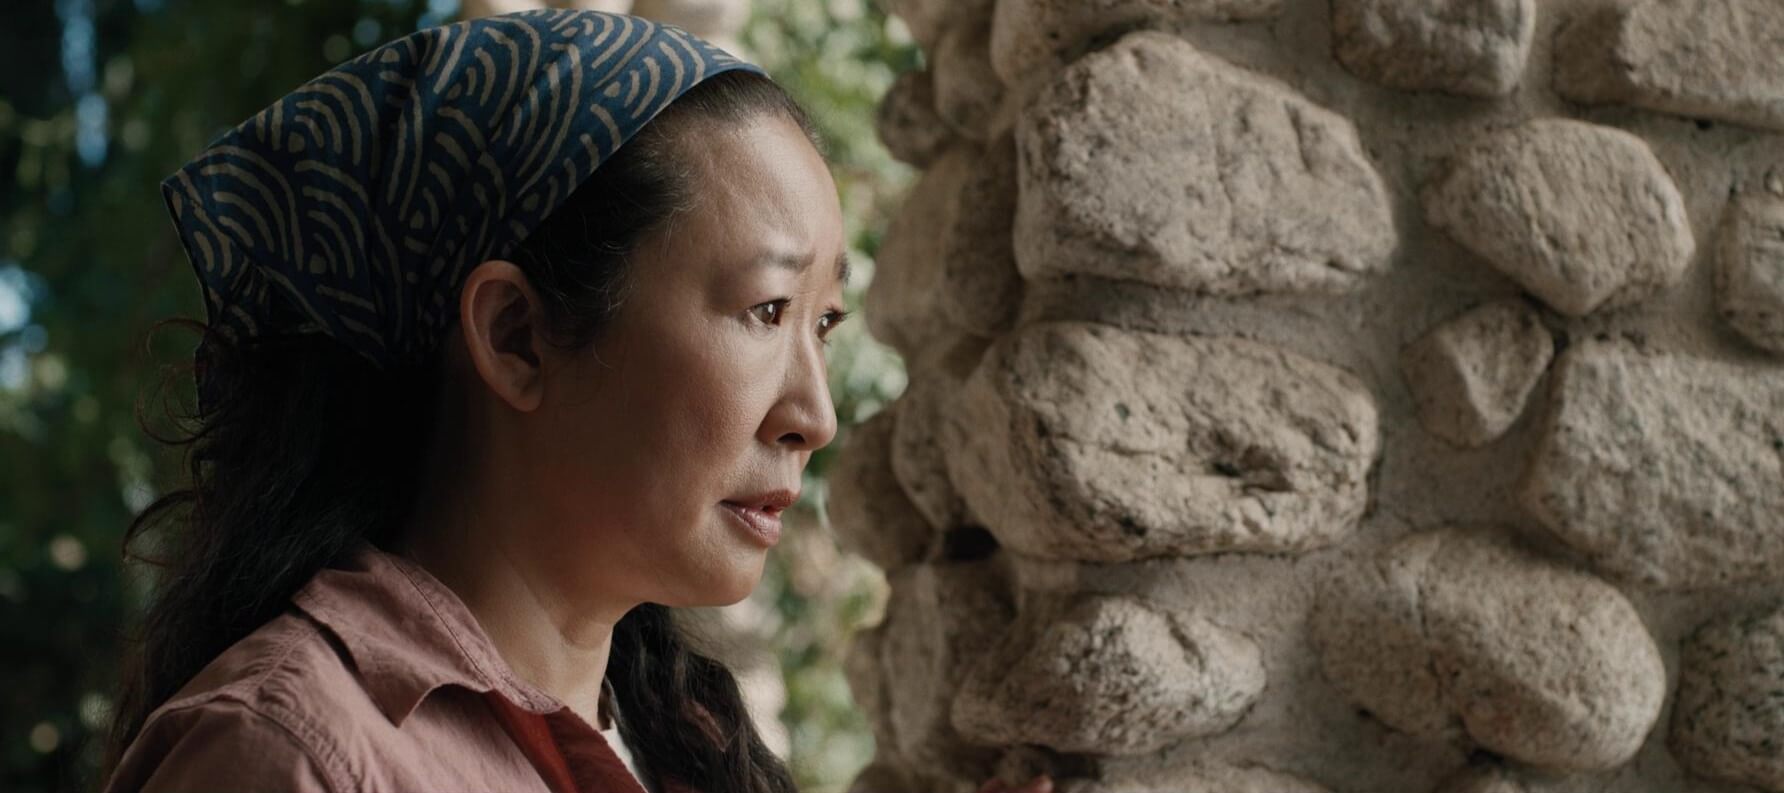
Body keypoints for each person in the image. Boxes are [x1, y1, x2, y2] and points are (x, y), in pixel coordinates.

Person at [96, 7, 1053, 793]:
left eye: (825, 323)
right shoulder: (285, 756)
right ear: (516, 335)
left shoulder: (671, 744)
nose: (817, 415)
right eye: (766, 310)